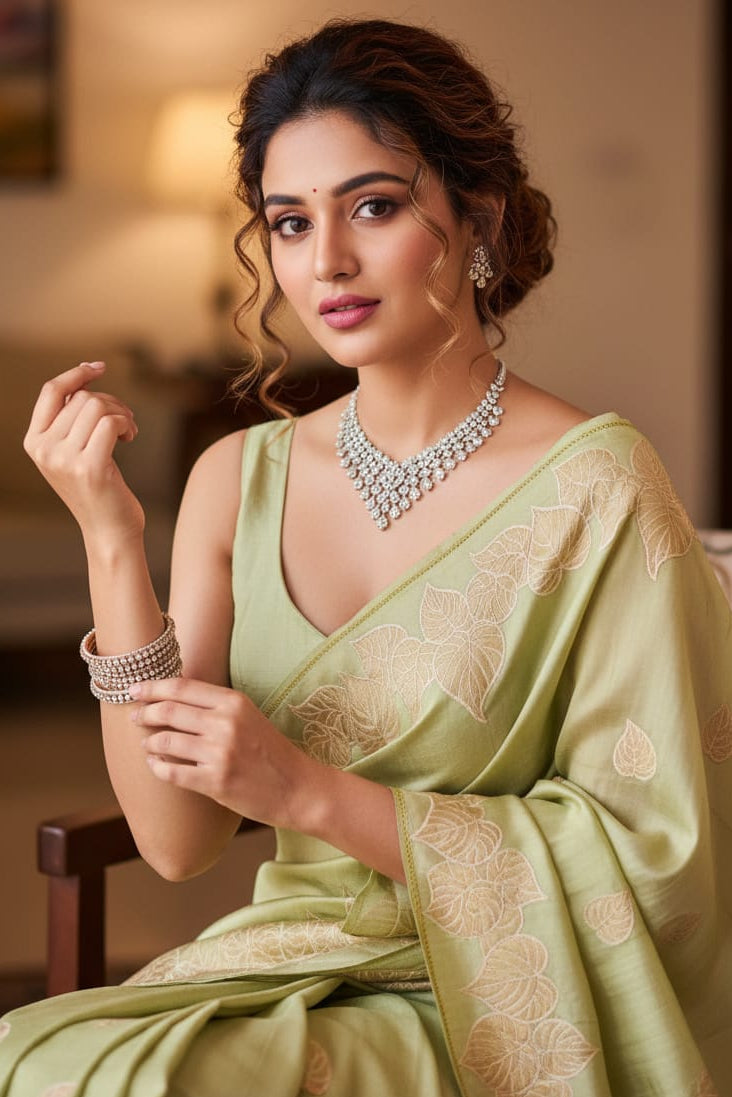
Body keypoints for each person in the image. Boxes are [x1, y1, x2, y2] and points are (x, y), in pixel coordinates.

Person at [1, 16, 730, 1097]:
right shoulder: (236, 478)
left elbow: (658, 859)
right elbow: (174, 841)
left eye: (373, 207)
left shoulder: (599, 485)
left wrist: (302, 789)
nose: (326, 261)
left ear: (474, 217)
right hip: (284, 967)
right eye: (290, 223)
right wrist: (113, 539)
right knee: (36, 1058)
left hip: (502, 995)